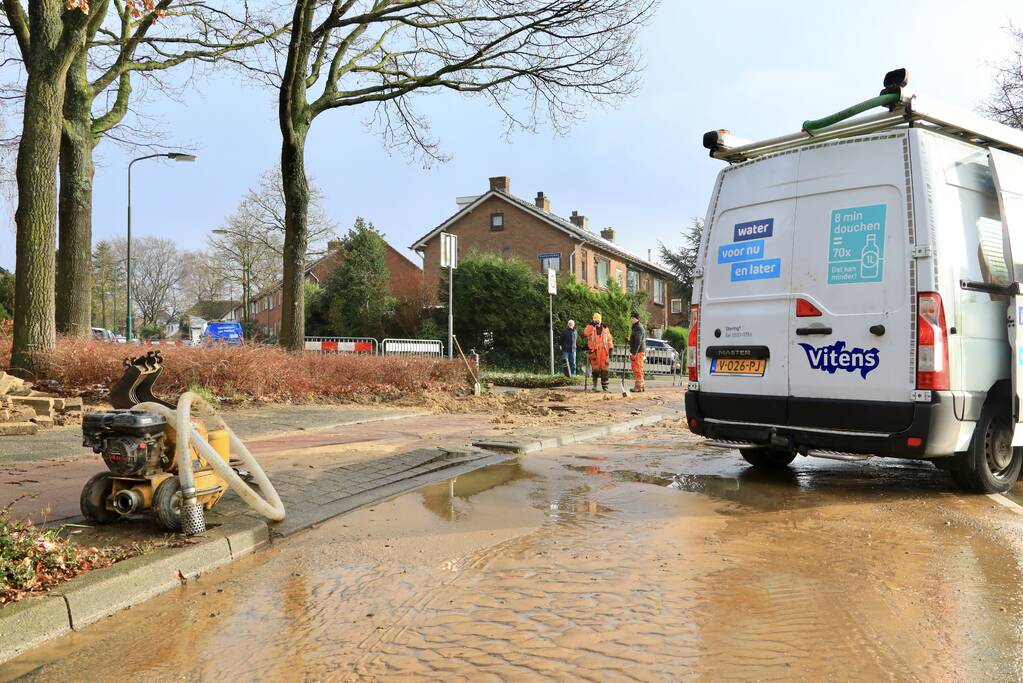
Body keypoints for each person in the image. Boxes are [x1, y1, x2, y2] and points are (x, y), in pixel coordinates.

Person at [583, 312, 613, 392]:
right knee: (595, 371)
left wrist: (611, 349)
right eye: (596, 320)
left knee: (605, 371)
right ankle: (594, 386)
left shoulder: (606, 329)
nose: (597, 322)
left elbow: (609, 340)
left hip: (604, 353)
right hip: (594, 353)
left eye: (598, 320)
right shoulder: (591, 328)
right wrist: (591, 325)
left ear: (600, 320)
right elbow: (585, 333)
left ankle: (605, 387)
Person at [629, 310, 647, 392]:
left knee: (638, 368)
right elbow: (636, 340)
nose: (631, 319)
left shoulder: (638, 328)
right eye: (631, 318)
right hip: (638, 350)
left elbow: (638, 341)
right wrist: (629, 340)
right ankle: (641, 385)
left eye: (633, 318)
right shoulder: (636, 327)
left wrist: (634, 353)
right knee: (638, 368)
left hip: (638, 351)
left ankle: (638, 386)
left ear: (637, 319)